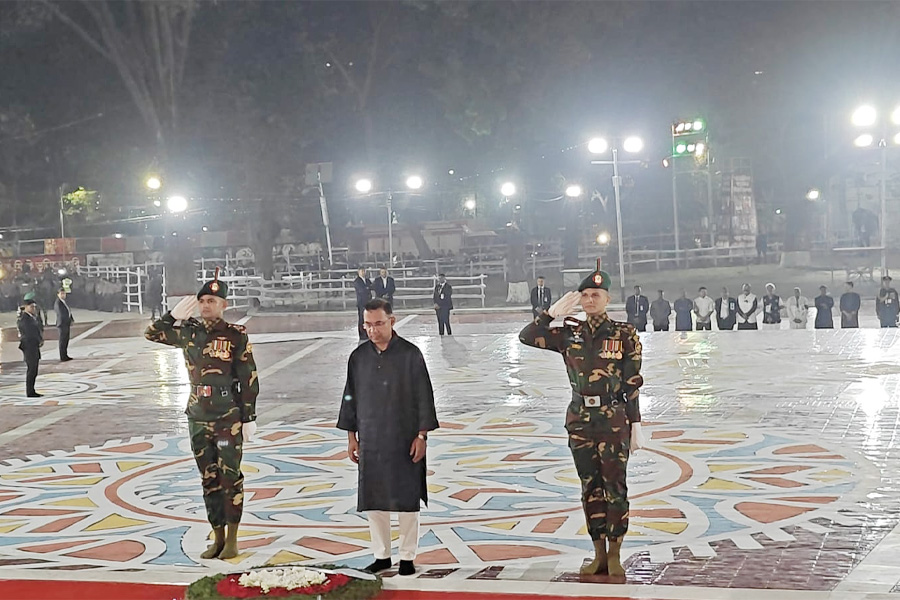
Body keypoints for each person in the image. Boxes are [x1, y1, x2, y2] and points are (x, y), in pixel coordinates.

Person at [518, 260, 644, 577]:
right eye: (585, 295)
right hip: (580, 420)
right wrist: (550, 314)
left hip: (614, 419)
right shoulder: (568, 334)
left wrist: (636, 423)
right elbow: (528, 336)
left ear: (607, 298)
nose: (589, 300)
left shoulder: (624, 334)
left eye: (595, 295)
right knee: (590, 487)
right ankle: (598, 553)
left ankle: (615, 552)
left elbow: (632, 382)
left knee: (615, 486)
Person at [144, 270, 259, 560]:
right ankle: (217, 537)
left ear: (224, 304)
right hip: (197, 414)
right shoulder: (189, 332)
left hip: (226, 417)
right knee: (208, 478)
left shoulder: (235, 336)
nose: (206, 305)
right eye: (202, 300)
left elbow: (248, 377)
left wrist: (248, 417)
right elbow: (151, 334)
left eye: (212, 300)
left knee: (230, 477)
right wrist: (171, 315)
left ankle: (232, 538)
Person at [338, 298, 439, 576]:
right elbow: (350, 398)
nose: (373, 330)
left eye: (378, 324)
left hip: (404, 438)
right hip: (371, 439)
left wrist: (422, 436)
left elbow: (424, 397)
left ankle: (407, 556)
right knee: (375, 499)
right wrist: (351, 437)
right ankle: (381, 555)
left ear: (392, 321)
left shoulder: (410, 354)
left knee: (407, 499)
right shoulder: (358, 358)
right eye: (367, 325)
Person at [17, 298, 43, 398]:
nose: (33, 309)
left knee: (34, 369)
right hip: (29, 347)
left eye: (34, 307)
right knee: (31, 369)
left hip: (34, 346)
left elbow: (37, 330)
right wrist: (37, 340)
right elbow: (28, 333)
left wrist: (40, 339)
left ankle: (32, 390)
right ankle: (30, 391)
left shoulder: (33, 317)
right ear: (26, 307)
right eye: (31, 307)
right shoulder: (24, 319)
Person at [54, 288, 74, 361]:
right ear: (58, 294)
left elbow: (68, 311)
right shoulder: (58, 303)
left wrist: (71, 319)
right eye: (61, 294)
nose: (63, 295)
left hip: (66, 324)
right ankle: (62, 356)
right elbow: (61, 314)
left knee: (66, 340)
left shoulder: (64, 302)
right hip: (62, 324)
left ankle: (65, 354)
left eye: (64, 293)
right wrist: (67, 320)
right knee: (62, 340)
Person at [354, 267, 373, 340]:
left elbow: (371, 286)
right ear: (358, 272)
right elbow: (361, 290)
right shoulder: (357, 281)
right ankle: (362, 334)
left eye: (364, 271)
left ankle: (367, 333)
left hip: (368, 301)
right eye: (361, 271)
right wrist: (367, 288)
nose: (363, 273)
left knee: (367, 318)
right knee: (362, 319)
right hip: (361, 302)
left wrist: (367, 288)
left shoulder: (367, 280)